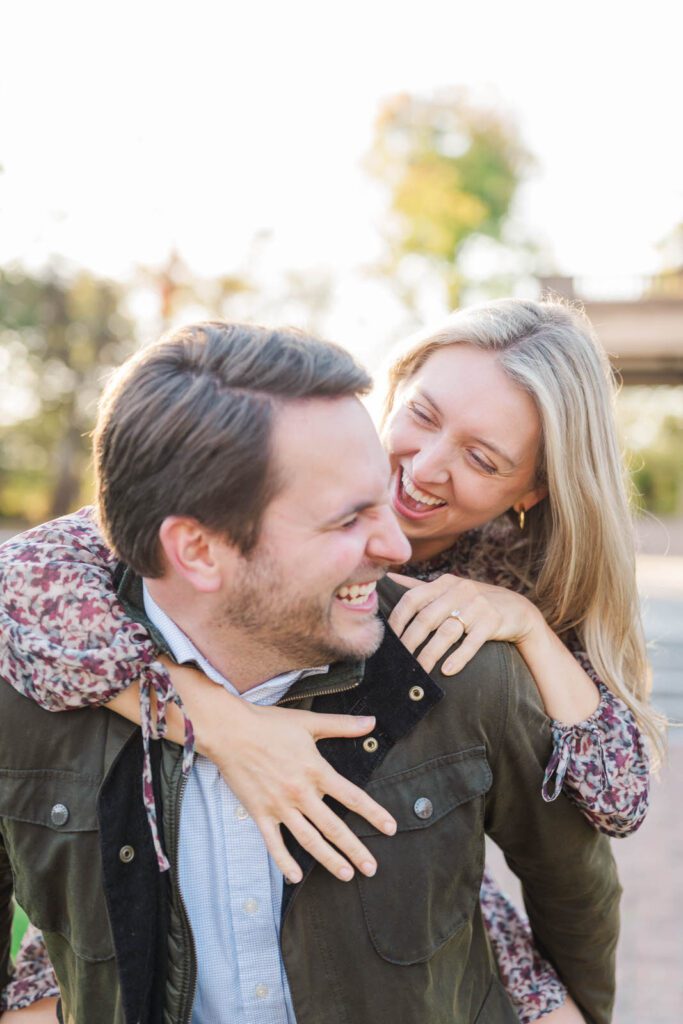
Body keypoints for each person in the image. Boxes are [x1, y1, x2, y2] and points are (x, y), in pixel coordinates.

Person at [0, 320, 621, 1024]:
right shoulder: (270, 451)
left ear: (532, 488)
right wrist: (224, 725)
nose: (419, 472)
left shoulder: (515, 596)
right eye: (421, 414)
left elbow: (600, 820)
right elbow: (23, 578)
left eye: (482, 457)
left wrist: (531, 627)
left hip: (432, 903)